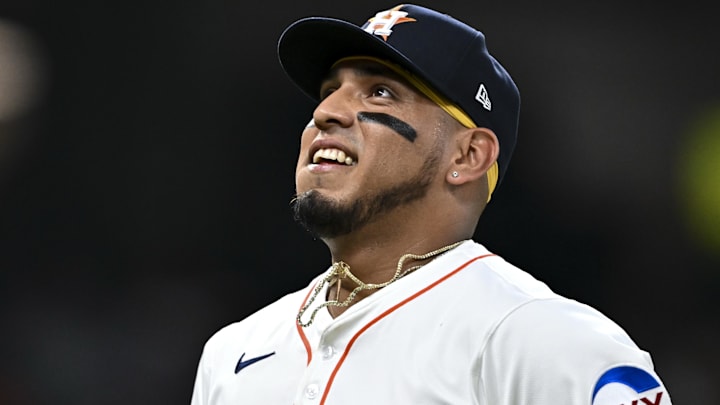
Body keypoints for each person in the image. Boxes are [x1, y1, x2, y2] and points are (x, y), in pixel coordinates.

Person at [190, 4, 672, 405]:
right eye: (329, 91)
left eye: (380, 93)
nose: (325, 112)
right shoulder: (235, 350)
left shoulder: (539, 338)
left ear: (468, 155)